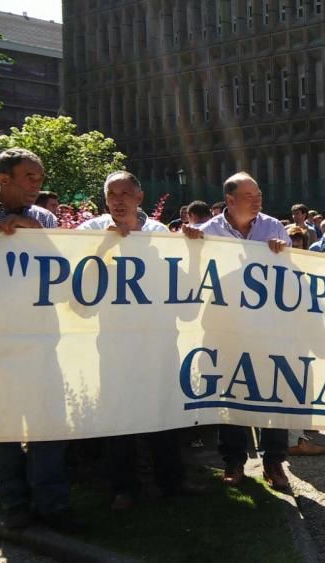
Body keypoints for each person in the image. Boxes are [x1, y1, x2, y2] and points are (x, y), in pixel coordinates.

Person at [77, 172, 207, 510]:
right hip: (114, 342)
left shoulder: (159, 233)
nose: (118, 200)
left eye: (125, 193)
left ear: (140, 197)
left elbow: (175, 283)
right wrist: (104, 246)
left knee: (163, 411)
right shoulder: (90, 231)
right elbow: (76, 281)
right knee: (119, 417)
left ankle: (172, 481)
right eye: (112, 194)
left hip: (158, 340)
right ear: (105, 200)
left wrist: (192, 247)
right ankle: (124, 487)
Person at [0, 149, 83, 532]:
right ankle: (15, 502)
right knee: (4, 424)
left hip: (43, 338)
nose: (37, 185)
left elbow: (65, 272)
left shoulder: (44, 218)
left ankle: (52, 504)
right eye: (29, 177)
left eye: (39, 178)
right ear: (3, 179)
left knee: (48, 423)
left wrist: (38, 236)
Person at [182, 172, 293, 490]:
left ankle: (274, 462)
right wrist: (191, 248)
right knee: (231, 395)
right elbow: (191, 277)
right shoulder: (205, 233)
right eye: (249, 195)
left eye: (259, 193)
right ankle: (234, 462)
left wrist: (282, 254)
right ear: (229, 201)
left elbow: (292, 276)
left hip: (268, 330)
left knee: (274, 395)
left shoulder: (273, 228)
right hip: (225, 329)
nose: (258, 199)